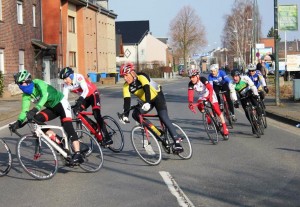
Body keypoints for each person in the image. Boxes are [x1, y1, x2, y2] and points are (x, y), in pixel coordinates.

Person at [10, 69, 84, 164]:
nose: (20, 86)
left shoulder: (38, 83)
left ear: (27, 81)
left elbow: (45, 96)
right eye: (18, 84)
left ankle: (78, 154)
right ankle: (58, 140)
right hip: (52, 109)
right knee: (36, 119)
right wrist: (18, 122)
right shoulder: (26, 95)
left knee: (68, 127)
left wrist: (35, 109)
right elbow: (24, 111)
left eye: (21, 83)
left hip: (61, 104)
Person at [119, 62, 184, 152]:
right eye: (123, 76)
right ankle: (157, 132)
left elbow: (147, 89)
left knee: (163, 116)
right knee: (136, 114)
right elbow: (127, 100)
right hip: (146, 101)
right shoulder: (126, 86)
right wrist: (126, 115)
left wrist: (148, 102)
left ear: (132, 73)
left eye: (126, 75)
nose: (125, 78)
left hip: (157, 96)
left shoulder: (141, 76)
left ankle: (177, 141)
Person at [59, 67, 113, 146]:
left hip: (93, 94)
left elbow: (86, 90)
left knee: (96, 114)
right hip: (85, 98)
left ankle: (108, 137)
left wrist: (80, 100)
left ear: (70, 76)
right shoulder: (66, 85)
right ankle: (94, 127)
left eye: (65, 78)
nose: (64, 81)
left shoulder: (78, 77)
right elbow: (64, 98)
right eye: (63, 79)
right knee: (76, 111)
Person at [187, 68, 229, 137]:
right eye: (190, 77)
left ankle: (225, 127)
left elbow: (210, 88)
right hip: (202, 96)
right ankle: (208, 116)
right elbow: (190, 95)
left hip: (210, 93)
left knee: (217, 110)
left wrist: (210, 97)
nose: (191, 79)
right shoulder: (191, 84)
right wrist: (190, 103)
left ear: (197, 76)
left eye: (193, 77)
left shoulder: (202, 79)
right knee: (199, 106)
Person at [230, 69, 262, 134]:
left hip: (250, 92)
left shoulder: (245, 78)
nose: (235, 78)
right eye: (233, 76)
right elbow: (232, 93)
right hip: (242, 96)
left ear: (239, 76)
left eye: (236, 76)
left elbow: (252, 86)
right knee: (247, 112)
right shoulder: (231, 83)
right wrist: (235, 101)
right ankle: (253, 125)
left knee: (256, 104)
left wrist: (256, 94)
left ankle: (259, 117)